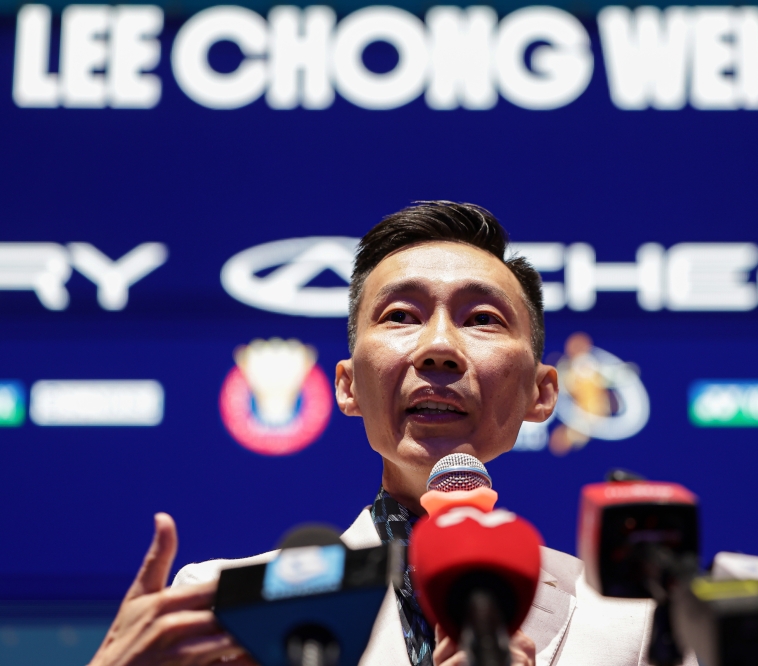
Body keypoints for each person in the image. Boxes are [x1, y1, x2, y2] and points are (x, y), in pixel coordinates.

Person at [87, 202, 659, 666]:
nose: (439, 347)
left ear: (542, 393)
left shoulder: (631, 619)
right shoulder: (224, 608)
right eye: (401, 316)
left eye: (482, 319)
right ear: (348, 386)